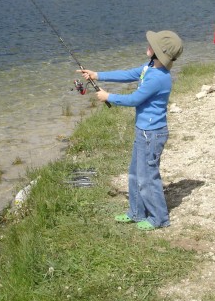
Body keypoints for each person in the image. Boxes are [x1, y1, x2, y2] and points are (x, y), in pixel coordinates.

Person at [77, 30, 183, 231]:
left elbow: (135, 99)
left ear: (160, 53)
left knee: (148, 177)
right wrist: (97, 75)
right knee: (135, 173)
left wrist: (109, 97)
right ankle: (136, 213)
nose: (148, 45)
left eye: (152, 45)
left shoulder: (158, 78)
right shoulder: (149, 67)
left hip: (152, 134)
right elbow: (128, 75)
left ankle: (159, 218)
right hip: (143, 131)